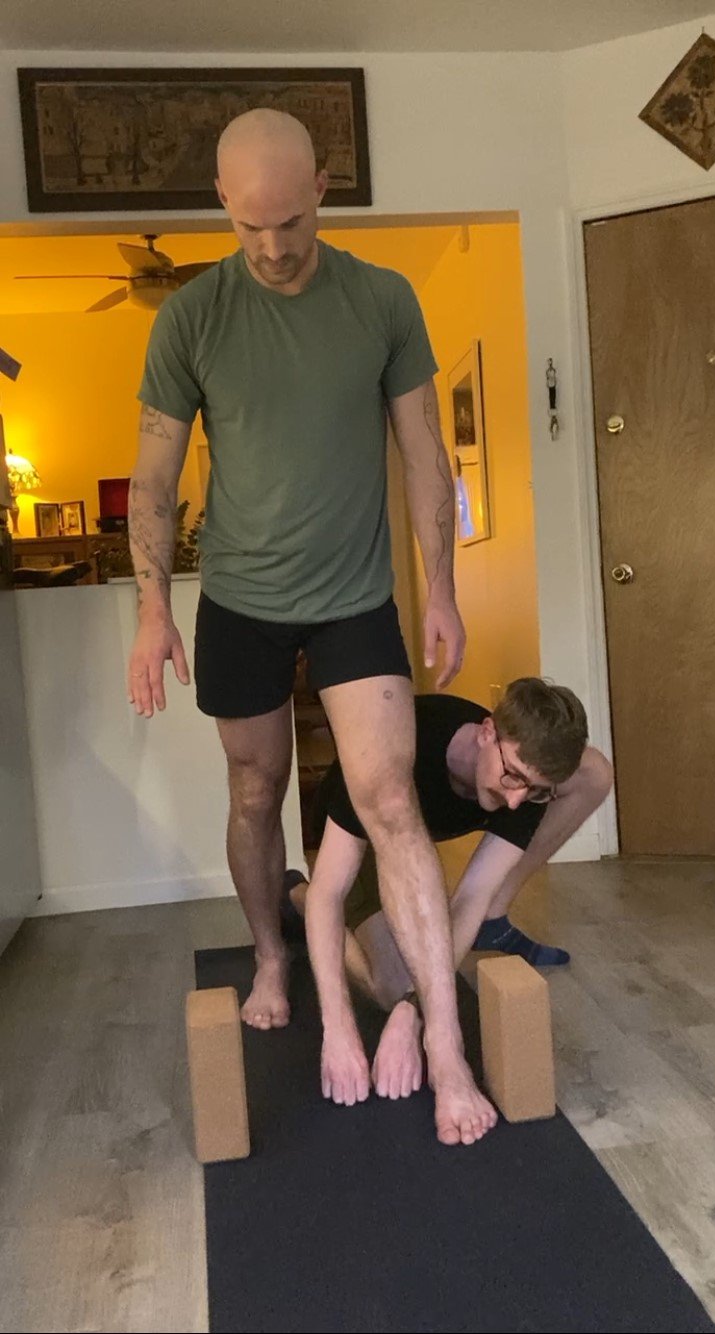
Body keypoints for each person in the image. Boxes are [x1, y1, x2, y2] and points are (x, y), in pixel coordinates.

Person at [126, 107, 495, 1147]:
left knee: (387, 796)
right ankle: (277, 954)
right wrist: (154, 608)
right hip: (238, 598)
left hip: (353, 598)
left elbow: (427, 452)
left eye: (289, 220)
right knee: (257, 788)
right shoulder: (192, 316)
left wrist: (443, 586)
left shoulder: (382, 299)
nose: (274, 247)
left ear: (324, 189)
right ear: (224, 208)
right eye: (250, 227)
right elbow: (153, 479)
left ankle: (446, 1042)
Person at [289, 678, 613, 1108]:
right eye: (512, 775)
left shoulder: (525, 787)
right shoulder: (391, 754)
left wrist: (413, 1010)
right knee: (390, 982)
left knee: (411, 987)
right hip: (362, 832)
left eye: (534, 790)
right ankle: (293, 892)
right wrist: (338, 1029)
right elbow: (330, 893)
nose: (516, 801)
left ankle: (486, 932)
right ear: (486, 733)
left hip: (421, 832)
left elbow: (471, 897)